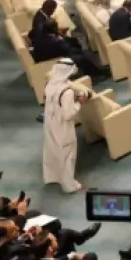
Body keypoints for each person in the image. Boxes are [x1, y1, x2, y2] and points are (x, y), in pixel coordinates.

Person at [42, 60, 89, 193]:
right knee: (68, 155)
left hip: (50, 123)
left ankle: (52, 177)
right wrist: (79, 103)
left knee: (52, 150)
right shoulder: (67, 92)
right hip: (63, 127)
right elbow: (68, 115)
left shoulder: (49, 84)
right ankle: (70, 186)